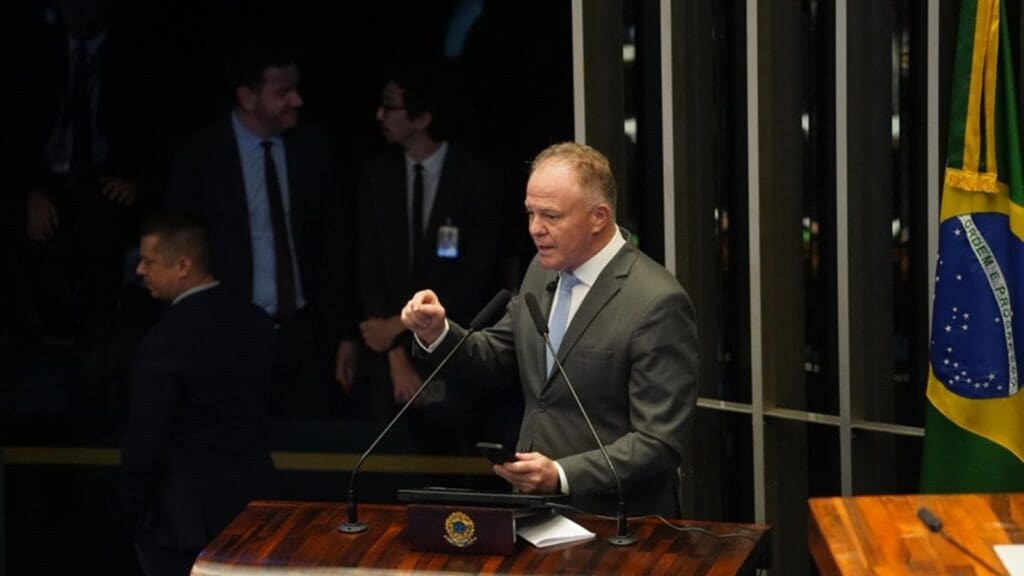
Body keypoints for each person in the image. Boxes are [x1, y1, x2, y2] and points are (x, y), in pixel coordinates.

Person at [401, 142, 698, 517]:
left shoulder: (656, 301)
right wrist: (437, 332)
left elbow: (658, 443)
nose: (534, 229)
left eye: (551, 216)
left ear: (599, 217)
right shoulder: (542, 271)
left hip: (617, 521)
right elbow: (500, 356)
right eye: (530, 213)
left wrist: (561, 475)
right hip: (533, 510)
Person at [165, 36, 358, 416]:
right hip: (228, 334)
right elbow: (181, 248)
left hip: (306, 334)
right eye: (282, 92)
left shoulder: (314, 148)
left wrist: (346, 332)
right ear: (247, 96)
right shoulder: (201, 155)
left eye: (296, 89)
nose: (296, 100)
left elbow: (336, 247)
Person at [354, 64, 518, 457]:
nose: (380, 115)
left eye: (391, 106)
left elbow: (478, 277)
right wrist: (394, 350)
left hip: (456, 351)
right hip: (388, 360)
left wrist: (397, 325)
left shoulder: (475, 178)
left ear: (423, 117)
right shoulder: (377, 175)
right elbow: (368, 264)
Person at [121, 215, 276, 576]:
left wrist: (133, 512)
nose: (140, 270)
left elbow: (144, 444)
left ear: (183, 266)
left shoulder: (164, 342)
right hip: (257, 508)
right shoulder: (256, 322)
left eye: (149, 261)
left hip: (185, 524)